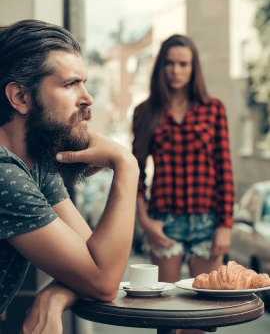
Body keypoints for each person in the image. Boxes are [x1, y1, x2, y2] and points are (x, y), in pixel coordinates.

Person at [0, 19, 139, 333]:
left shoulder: (33, 163)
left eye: (84, 82)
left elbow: (95, 262)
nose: (87, 98)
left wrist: (53, 296)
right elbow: (103, 281)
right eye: (70, 84)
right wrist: (127, 166)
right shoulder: (4, 177)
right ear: (20, 97)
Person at [132, 34, 236, 334]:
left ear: (193, 68)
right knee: (167, 315)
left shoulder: (213, 108)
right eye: (169, 63)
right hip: (164, 222)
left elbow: (224, 169)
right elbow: (136, 171)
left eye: (183, 64)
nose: (175, 70)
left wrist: (225, 225)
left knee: (201, 319)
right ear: (161, 67)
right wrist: (144, 220)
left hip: (208, 221)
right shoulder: (145, 111)